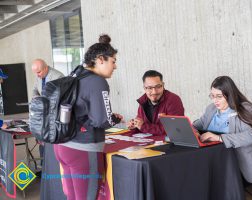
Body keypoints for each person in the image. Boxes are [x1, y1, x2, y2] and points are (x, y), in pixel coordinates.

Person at [53, 34, 123, 200]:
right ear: (100, 59)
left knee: (73, 197)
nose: (115, 66)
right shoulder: (98, 81)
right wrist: (114, 119)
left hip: (62, 145)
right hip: (83, 149)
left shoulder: (76, 73)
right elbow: (101, 120)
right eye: (113, 61)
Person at [193, 76, 252, 183]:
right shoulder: (211, 109)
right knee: (192, 170)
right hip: (214, 160)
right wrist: (193, 130)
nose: (215, 100)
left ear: (229, 95)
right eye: (212, 96)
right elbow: (199, 124)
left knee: (203, 178)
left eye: (219, 96)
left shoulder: (245, 109)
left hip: (237, 164)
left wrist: (219, 138)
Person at [127, 70, 184, 136]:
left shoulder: (173, 100)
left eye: (158, 86)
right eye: (149, 88)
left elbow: (175, 129)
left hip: (167, 143)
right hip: (149, 143)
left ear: (163, 85)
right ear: (144, 88)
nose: (154, 92)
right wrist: (134, 126)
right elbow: (141, 126)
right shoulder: (143, 101)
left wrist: (144, 126)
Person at [31, 59, 64, 168]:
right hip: (43, 114)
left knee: (50, 141)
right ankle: (44, 166)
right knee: (42, 140)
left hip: (54, 116)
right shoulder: (39, 75)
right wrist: (36, 96)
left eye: (39, 72)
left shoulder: (58, 76)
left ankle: (53, 167)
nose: (37, 75)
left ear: (45, 68)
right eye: (36, 73)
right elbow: (35, 89)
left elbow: (61, 97)